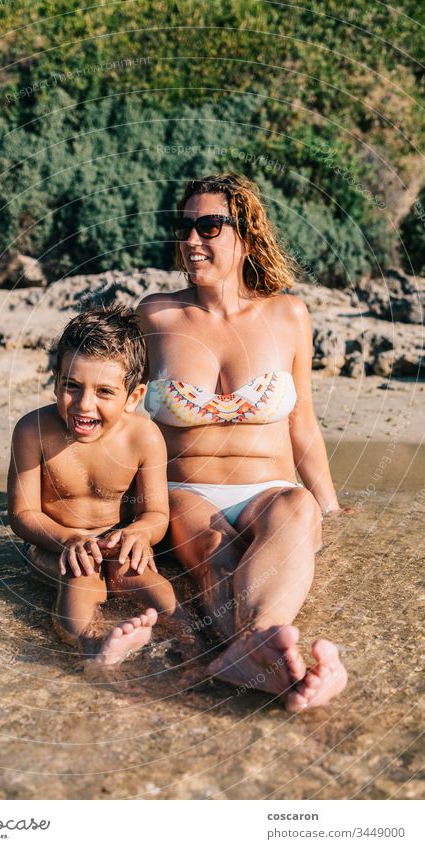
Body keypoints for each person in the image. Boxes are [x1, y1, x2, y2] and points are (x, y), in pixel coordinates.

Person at [138, 172, 348, 709]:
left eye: (209, 226)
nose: (191, 241)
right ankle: (264, 656)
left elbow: (302, 421)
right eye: (184, 227)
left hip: (268, 486)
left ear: (246, 235)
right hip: (185, 487)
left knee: (299, 510)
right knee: (215, 551)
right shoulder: (156, 315)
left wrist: (330, 508)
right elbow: (116, 404)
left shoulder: (288, 314)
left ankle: (261, 641)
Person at [7, 306, 180, 665]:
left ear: (133, 397)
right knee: (81, 578)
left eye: (104, 391)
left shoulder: (144, 437)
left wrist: (139, 534)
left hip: (115, 538)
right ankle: (92, 648)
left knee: (144, 580)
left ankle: (188, 644)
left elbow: (156, 512)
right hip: (53, 542)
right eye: (71, 386)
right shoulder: (32, 431)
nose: (84, 405)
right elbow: (23, 514)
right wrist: (69, 539)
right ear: (55, 380)